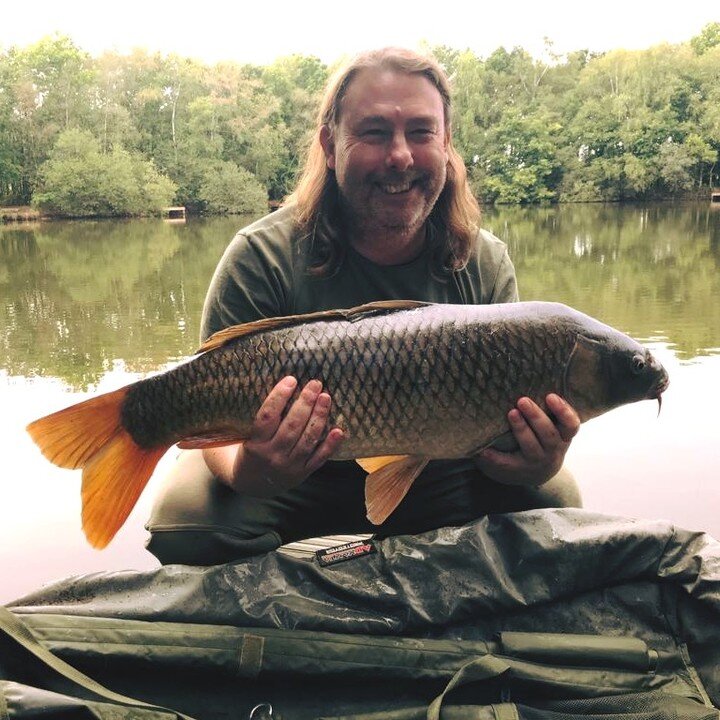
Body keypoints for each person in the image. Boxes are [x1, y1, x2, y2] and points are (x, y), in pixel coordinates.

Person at [146, 47, 581, 565]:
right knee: (186, 522)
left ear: (445, 143)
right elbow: (208, 415)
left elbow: (511, 425)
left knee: (554, 503)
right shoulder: (262, 256)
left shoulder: (483, 262)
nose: (400, 156)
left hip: (441, 469)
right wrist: (253, 470)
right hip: (293, 478)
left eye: (421, 132)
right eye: (375, 133)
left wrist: (532, 461)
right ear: (331, 145)